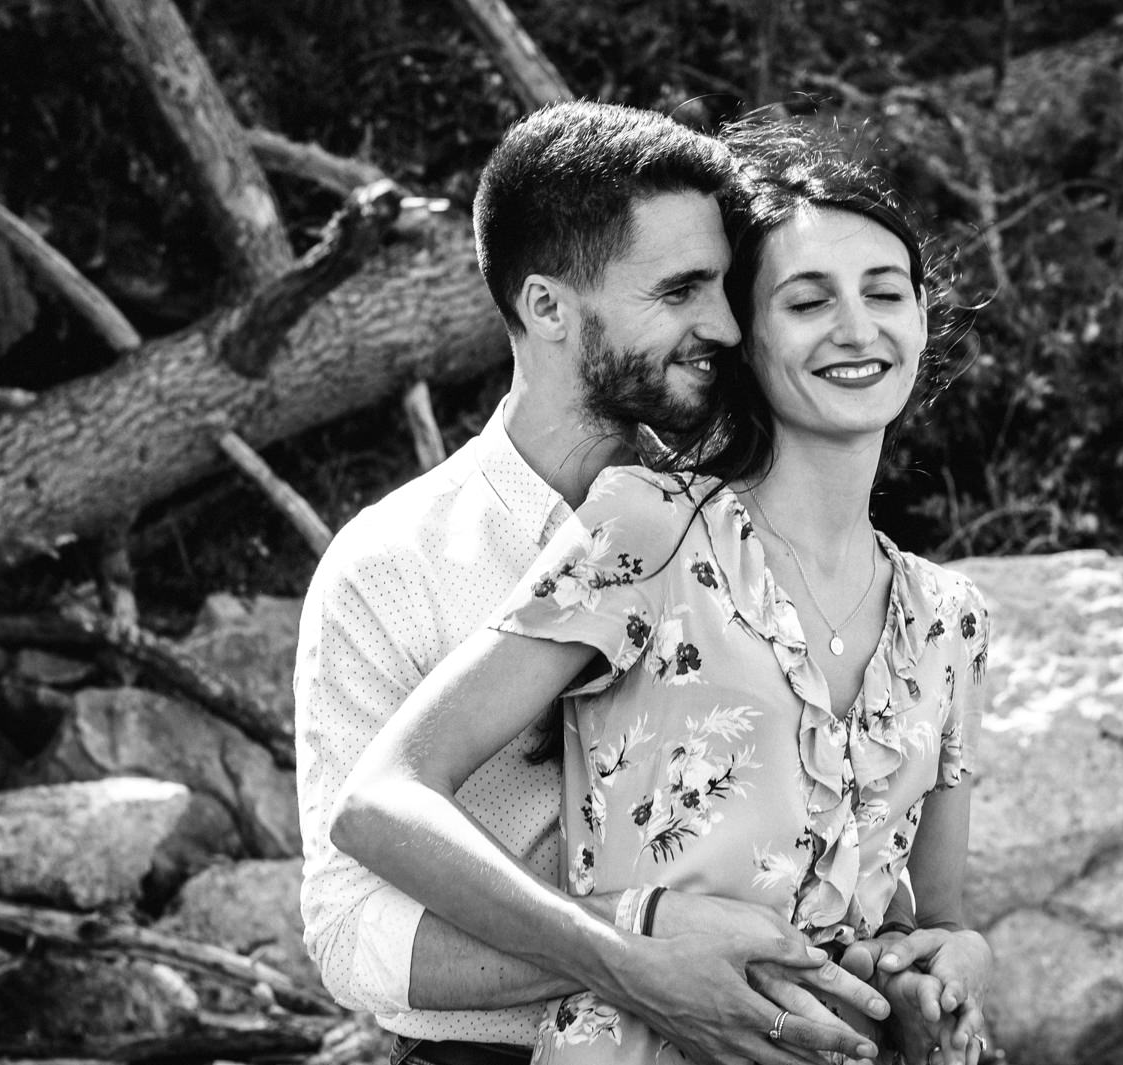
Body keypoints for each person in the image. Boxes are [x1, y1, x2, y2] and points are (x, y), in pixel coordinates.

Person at [328, 118, 995, 1065]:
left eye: (886, 292)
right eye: (806, 301)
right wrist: (631, 945)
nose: (857, 327)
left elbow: (923, 919)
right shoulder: (648, 527)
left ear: (923, 318)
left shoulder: (951, 620)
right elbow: (376, 814)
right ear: (751, 342)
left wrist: (945, 968)